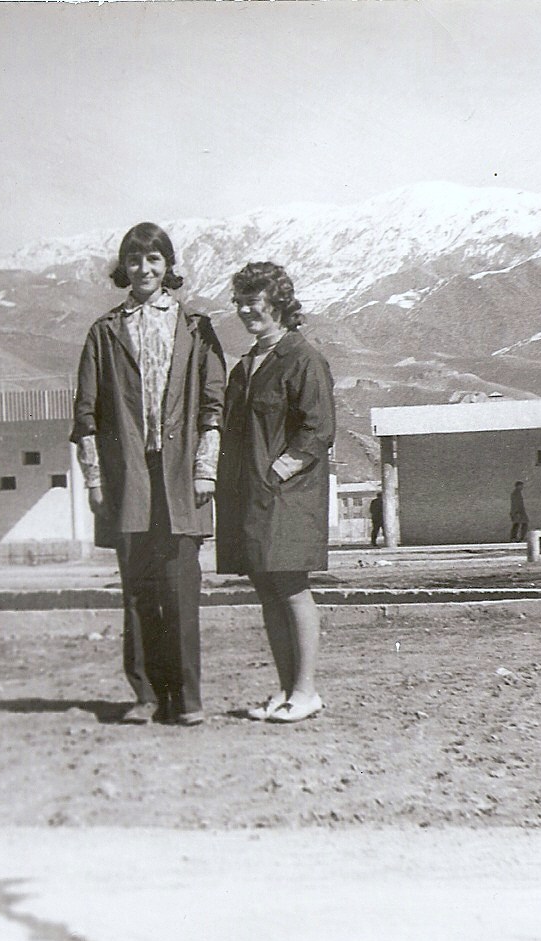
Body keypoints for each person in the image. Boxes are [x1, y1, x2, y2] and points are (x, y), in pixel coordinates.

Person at [70, 222, 226, 727]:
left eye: (154, 259)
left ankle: (188, 698)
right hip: (128, 480)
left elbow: (213, 406)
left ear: (168, 266)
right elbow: (86, 415)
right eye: (135, 260)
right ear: (124, 267)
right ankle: (146, 695)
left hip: (181, 478)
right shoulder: (104, 331)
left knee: (181, 590)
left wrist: (206, 471)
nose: (144, 269)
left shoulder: (196, 328)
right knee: (138, 590)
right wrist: (95, 479)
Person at [217, 262, 336, 725]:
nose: (248, 310)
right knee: (267, 588)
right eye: (241, 301)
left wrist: (277, 471)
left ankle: (306, 691)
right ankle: (288, 691)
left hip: (288, 497)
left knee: (290, 587)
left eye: (256, 301)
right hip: (252, 497)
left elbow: (318, 428)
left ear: (280, 303)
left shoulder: (303, 358)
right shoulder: (246, 365)